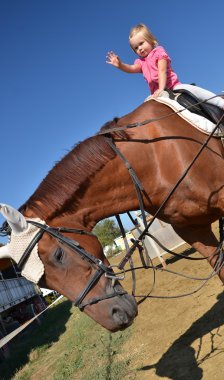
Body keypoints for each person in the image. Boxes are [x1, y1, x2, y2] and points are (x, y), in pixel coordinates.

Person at [106, 23, 224, 110]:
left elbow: (162, 71)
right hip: (157, 93)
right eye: (136, 48)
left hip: (173, 87)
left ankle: (219, 102)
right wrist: (120, 65)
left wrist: (162, 89)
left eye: (141, 43)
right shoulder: (141, 62)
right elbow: (131, 69)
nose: (140, 48)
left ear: (151, 41)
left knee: (193, 90)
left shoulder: (159, 52)